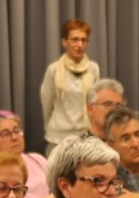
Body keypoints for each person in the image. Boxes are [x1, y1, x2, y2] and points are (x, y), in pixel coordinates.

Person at [39, 18, 100, 148]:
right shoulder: (54, 70)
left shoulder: (93, 68)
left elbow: (95, 103)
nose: (80, 44)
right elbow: (47, 104)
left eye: (84, 40)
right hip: (58, 139)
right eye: (75, 39)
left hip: (86, 137)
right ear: (64, 42)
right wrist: (53, 127)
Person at [0, 109, 55, 198]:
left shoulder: (38, 159)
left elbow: (63, 192)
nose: (15, 137)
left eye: (17, 131)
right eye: (6, 134)